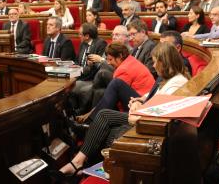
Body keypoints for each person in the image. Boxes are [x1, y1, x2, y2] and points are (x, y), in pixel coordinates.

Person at [58, 42, 189, 177]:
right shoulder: (168, 77)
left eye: (156, 62)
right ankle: (80, 165)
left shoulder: (177, 84)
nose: (154, 66)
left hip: (146, 122)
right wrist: (139, 101)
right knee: (103, 119)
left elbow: (160, 113)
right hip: (142, 114)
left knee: (104, 122)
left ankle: (79, 163)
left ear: (165, 63)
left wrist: (137, 112)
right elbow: (152, 96)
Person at [69, 23, 109, 115]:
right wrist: (73, 67)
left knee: (72, 87)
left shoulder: (100, 44)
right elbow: (77, 60)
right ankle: (72, 112)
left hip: (92, 77)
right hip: (80, 74)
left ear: (87, 36)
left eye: (80, 34)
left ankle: (79, 113)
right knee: (66, 85)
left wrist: (81, 70)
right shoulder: (83, 44)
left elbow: (99, 66)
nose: (78, 36)